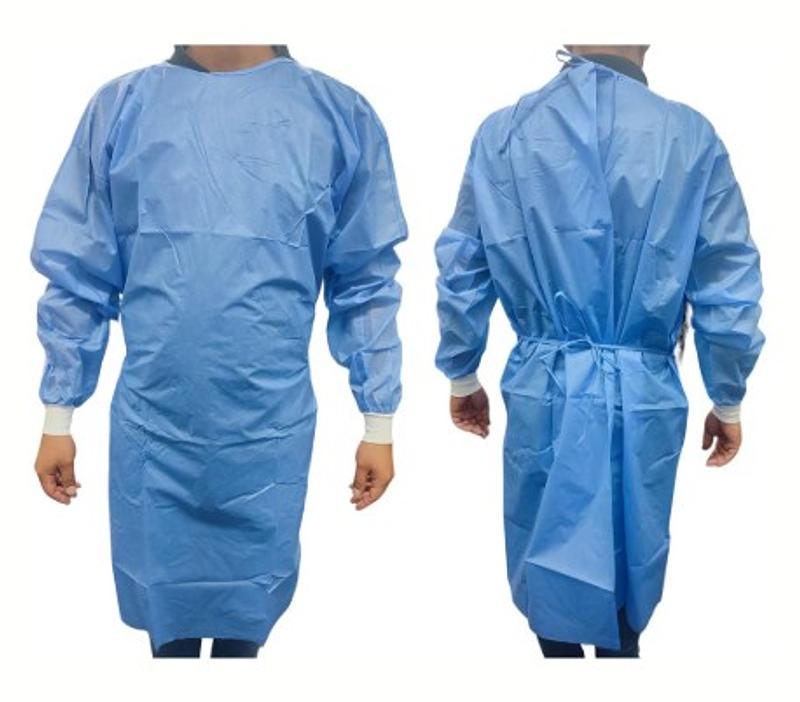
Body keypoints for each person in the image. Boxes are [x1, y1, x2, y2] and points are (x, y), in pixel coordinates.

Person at [30, 44, 407, 658]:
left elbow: (364, 280)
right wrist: (57, 416)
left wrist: (379, 422)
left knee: (242, 625)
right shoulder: (121, 109)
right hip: (155, 430)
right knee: (168, 627)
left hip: (266, 435)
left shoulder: (338, 116)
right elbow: (79, 271)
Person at [434, 44, 765, 658]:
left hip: (544, 388)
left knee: (548, 564)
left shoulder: (504, 134)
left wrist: (462, 372)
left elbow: (463, 268)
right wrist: (728, 395)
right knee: (627, 567)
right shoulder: (688, 137)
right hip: (641, 396)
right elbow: (727, 282)